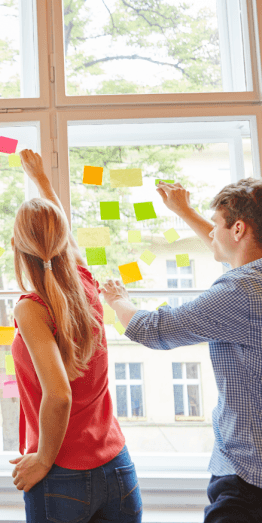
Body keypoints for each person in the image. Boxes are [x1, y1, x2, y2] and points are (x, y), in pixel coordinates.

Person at [101, 178, 262, 522]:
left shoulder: (241, 291)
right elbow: (230, 248)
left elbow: (152, 329)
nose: (211, 233)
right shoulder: (253, 278)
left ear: (238, 228)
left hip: (249, 482)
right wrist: (184, 211)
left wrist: (118, 301)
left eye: (217, 224)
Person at [9, 151, 142, 523]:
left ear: (19, 249)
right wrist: (43, 182)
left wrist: (42, 460)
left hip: (62, 476)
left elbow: (59, 395)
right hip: (117, 467)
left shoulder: (31, 308)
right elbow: (61, 229)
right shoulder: (85, 281)